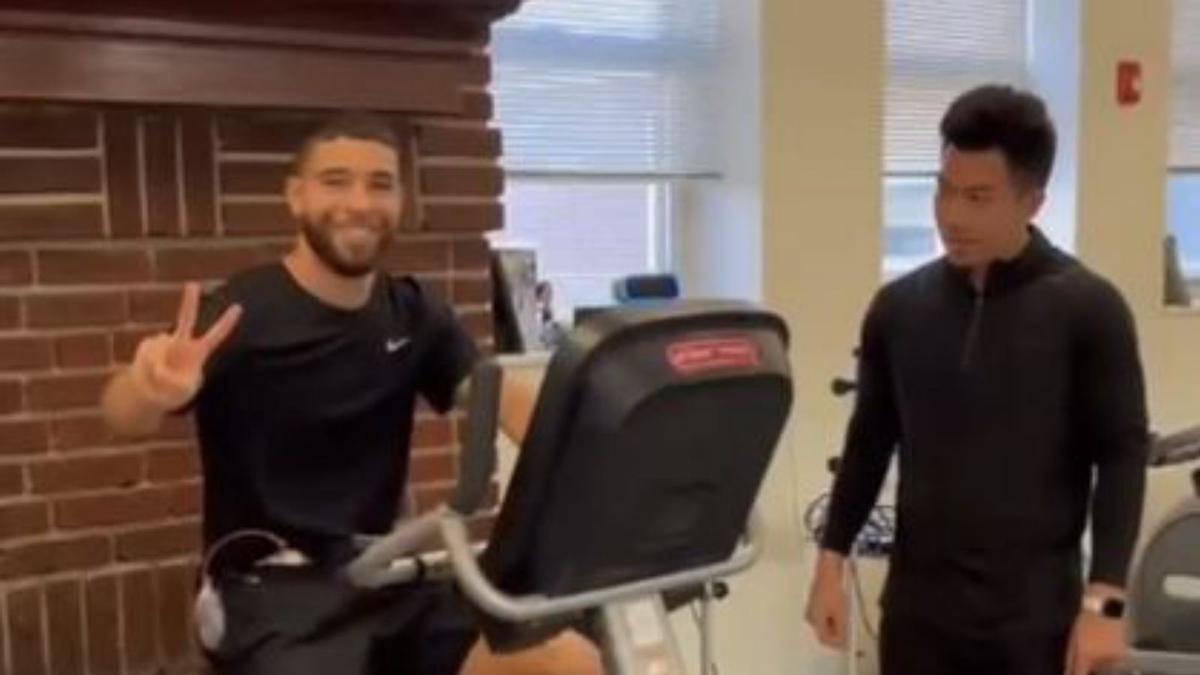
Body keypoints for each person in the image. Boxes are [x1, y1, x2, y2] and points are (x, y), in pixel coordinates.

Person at [100, 112, 603, 675]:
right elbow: (123, 416)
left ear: (401, 202)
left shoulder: (414, 314)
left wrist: (597, 449)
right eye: (335, 181)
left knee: (565, 659)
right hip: (267, 591)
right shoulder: (244, 312)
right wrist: (147, 389)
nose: (360, 202)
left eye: (380, 184)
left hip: (381, 576)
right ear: (295, 197)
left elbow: (502, 399)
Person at [804, 85, 1149, 675]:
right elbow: (869, 441)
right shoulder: (899, 309)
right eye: (944, 191)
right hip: (919, 618)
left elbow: (1121, 457)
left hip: (1034, 624)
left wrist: (1105, 605)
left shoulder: (1088, 309)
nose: (953, 216)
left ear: (1032, 202)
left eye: (979, 197)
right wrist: (830, 562)